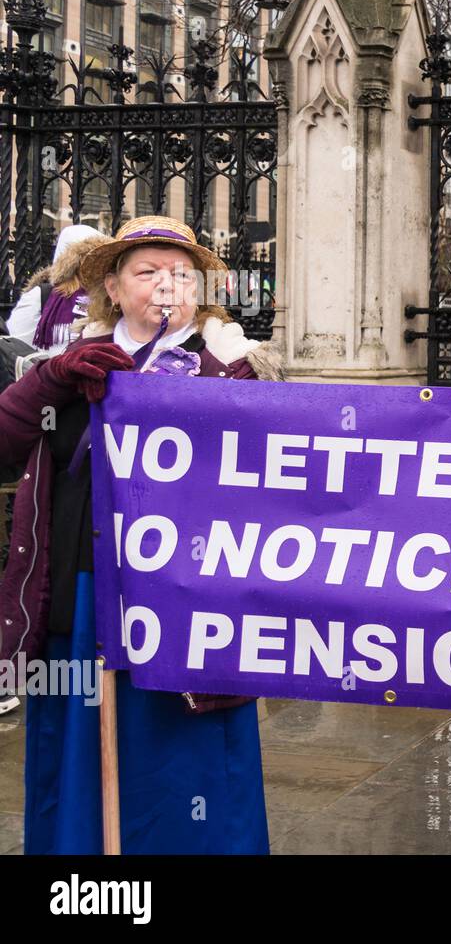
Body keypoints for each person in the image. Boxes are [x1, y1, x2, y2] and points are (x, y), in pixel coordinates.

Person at [0, 215, 281, 854]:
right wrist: (53, 380)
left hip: (192, 613)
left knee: (189, 770)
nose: (165, 286)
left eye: (181, 274)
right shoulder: (63, 368)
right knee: (82, 770)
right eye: (147, 272)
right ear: (113, 287)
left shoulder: (238, 371)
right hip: (85, 601)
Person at [5, 224, 108, 356]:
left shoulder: (110, 296)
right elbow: (15, 348)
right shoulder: (43, 295)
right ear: (71, 263)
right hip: (48, 373)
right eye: (89, 258)